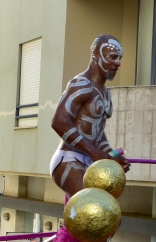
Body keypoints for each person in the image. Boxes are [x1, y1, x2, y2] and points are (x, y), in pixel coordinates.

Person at [50, 35, 130, 200]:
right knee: (93, 206)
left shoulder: (106, 93)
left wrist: (111, 156)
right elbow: (59, 121)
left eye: (120, 58)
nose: (118, 63)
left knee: (107, 215)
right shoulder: (81, 84)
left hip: (89, 162)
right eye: (113, 57)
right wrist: (94, 152)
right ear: (95, 55)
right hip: (68, 160)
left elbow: (97, 133)